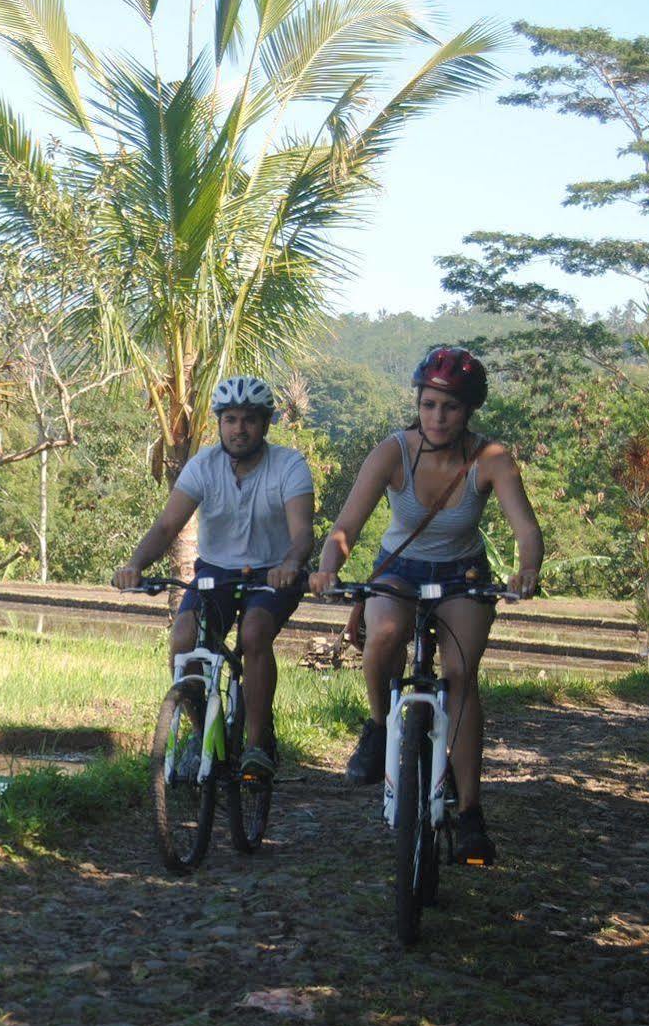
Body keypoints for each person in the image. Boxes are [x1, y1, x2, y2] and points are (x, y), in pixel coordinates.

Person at [308, 345, 543, 865]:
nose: (438, 417)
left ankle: (470, 813)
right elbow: (346, 527)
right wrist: (328, 566)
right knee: (385, 635)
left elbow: (526, 527)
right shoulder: (391, 452)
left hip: (463, 574)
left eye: (451, 407)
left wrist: (528, 567)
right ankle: (376, 726)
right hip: (400, 568)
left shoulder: (492, 458)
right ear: (417, 403)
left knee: (460, 675)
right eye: (429, 404)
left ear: (469, 412)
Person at [113, 375, 315, 779]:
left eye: (250, 420)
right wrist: (136, 564)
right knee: (183, 640)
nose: (240, 428)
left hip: (272, 574)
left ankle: (257, 744)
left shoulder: (288, 465)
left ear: (265, 424)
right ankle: (202, 734)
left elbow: (302, 534)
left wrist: (290, 565)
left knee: (255, 632)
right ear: (220, 424)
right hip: (217, 574)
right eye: (231, 419)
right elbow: (167, 526)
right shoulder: (203, 466)